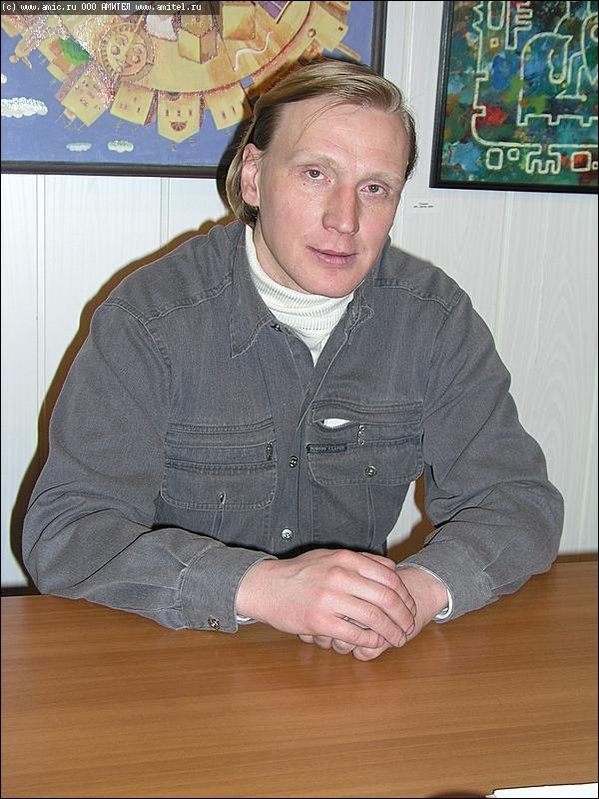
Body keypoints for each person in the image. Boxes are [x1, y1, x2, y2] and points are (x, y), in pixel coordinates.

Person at [22, 60, 563, 661]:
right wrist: (259, 588)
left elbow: (518, 502)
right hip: (178, 658)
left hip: (350, 661)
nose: (344, 220)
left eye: (375, 188)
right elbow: (66, 533)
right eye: (314, 174)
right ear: (253, 177)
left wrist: (412, 593)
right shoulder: (150, 320)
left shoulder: (433, 320)